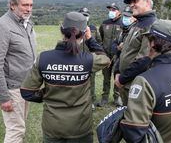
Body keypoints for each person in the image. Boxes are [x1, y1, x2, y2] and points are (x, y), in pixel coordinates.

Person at [20, 11, 110, 143]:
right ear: (84, 33)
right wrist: (90, 40)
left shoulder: (44, 58)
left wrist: (47, 93)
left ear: (61, 29)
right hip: (80, 127)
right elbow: (105, 59)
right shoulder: (88, 60)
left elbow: (27, 92)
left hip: (53, 126)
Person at [0, 0, 36, 143]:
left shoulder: (27, 24)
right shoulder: (2, 26)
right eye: (24, 5)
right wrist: (3, 97)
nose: (28, 9)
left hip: (26, 86)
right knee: (16, 130)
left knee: (20, 126)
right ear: (12, 5)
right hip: (13, 88)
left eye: (31, 5)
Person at [114, 0, 157, 105]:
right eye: (130, 2)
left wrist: (122, 79)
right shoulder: (136, 23)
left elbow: (144, 60)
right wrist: (117, 71)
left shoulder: (151, 26)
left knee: (133, 118)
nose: (131, 5)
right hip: (126, 82)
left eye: (135, 1)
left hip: (135, 85)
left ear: (147, 2)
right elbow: (125, 50)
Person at [97, 3, 123, 107]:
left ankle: (117, 98)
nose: (111, 11)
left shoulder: (123, 24)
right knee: (106, 77)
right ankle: (104, 98)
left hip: (118, 57)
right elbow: (101, 39)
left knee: (117, 77)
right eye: (110, 10)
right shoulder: (104, 23)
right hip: (106, 56)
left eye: (113, 9)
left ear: (119, 12)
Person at [79, 7, 101, 109]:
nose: (84, 17)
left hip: (89, 59)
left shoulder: (93, 28)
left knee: (91, 81)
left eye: (86, 15)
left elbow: (98, 42)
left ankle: (91, 100)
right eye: (82, 15)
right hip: (77, 59)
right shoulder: (73, 28)